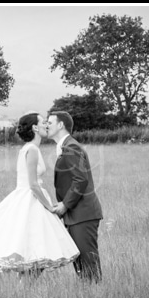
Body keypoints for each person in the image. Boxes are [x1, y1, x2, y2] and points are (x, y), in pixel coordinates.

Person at [0, 112, 79, 279]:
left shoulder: (31, 148)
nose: (46, 125)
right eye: (43, 122)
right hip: (31, 199)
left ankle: (24, 290)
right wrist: (50, 207)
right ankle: (24, 289)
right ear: (35, 127)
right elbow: (32, 184)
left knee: (34, 253)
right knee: (34, 252)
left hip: (31, 198)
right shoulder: (31, 149)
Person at [47, 111, 104, 284]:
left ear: (60, 125)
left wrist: (65, 205)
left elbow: (81, 179)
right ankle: (89, 296)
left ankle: (95, 296)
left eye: (50, 122)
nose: (46, 126)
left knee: (88, 263)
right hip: (76, 214)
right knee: (80, 264)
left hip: (83, 213)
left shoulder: (71, 147)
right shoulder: (66, 147)